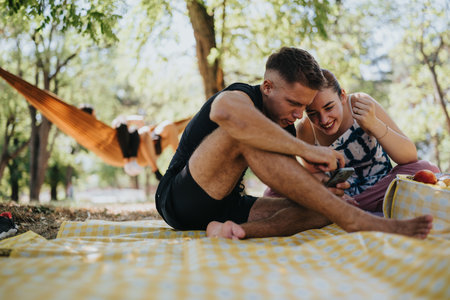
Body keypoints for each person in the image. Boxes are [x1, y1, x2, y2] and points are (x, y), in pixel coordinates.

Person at [155, 47, 433, 240]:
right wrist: (308, 149)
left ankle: (234, 231)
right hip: (179, 199)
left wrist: (321, 183)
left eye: (304, 106)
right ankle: (353, 218)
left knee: (322, 206)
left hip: (227, 207)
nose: (300, 115)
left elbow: (286, 174)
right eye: (294, 104)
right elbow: (222, 113)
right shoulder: (242, 95)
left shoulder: (287, 126)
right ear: (267, 87)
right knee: (239, 132)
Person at [285, 69, 440, 213]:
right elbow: (314, 176)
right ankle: (355, 208)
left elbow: (409, 157)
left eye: (329, 107)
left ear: (343, 96)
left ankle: (349, 210)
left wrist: (374, 124)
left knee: (426, 168)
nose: (324, 119)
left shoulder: (360, 103)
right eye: (312, 113)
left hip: (384, 187)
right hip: (343, 197)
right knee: (276, 189)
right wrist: (332, 191)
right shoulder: (305, 130)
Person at [80, 105, 178, 179]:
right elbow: (122, 126)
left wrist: (131, 121)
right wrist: (129, 121)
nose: (96, 117)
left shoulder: (131, 128)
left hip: (155, 140)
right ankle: (155, 170)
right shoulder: (108, 130)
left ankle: (181, 161)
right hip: (146, 148)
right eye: (94, 115)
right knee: (137, 130)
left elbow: (137, 124)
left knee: (170, 125)